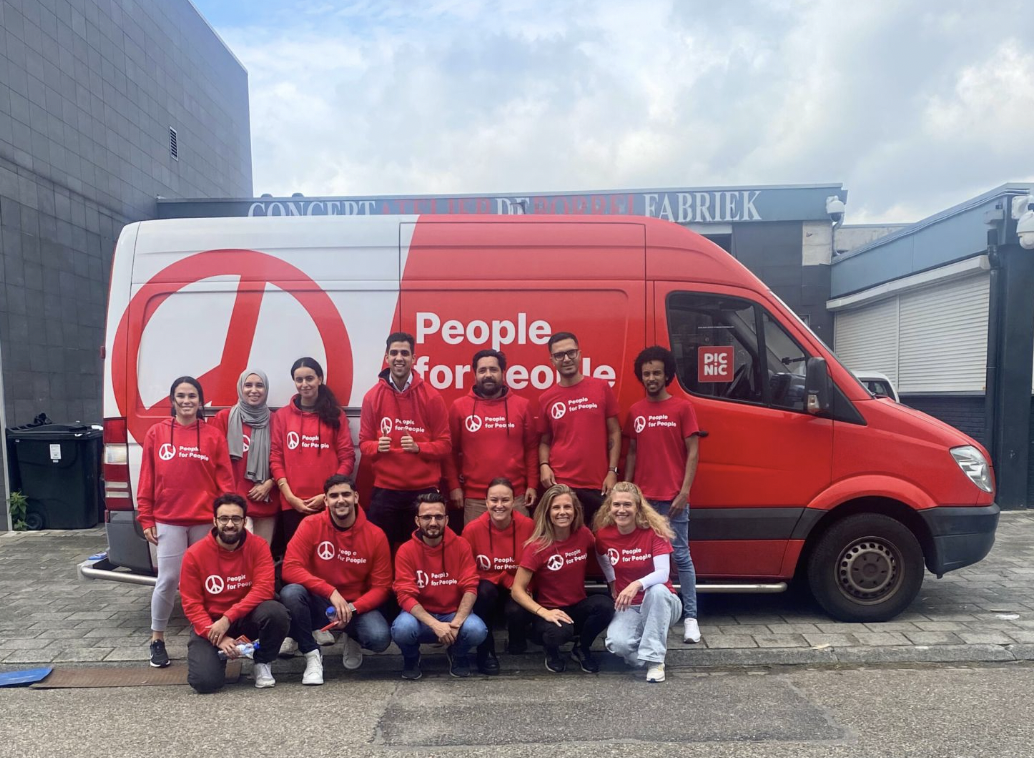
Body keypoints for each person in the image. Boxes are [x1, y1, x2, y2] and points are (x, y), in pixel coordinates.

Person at [137, 376, 234, 669]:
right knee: (167, 580)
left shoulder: (213, 435)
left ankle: (207, 634)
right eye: (181, 396)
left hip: (205, 521)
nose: (187, 401)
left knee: (207, 582)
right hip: (169, 520)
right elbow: (147, 478)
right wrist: (146, 517)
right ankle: (157, 639)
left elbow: (225, 479)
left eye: (192, 396)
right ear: (172, 400)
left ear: (200, 401)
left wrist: (226, 514)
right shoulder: (156, 433)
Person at [281, 475, 393, 685]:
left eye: (345, 494)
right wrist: (330, 591)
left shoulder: (375, 535)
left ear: (356, 497)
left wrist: (352, 609)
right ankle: (312, 654)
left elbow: (382, 587)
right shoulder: (310, 524)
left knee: (379, 638)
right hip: (320, 600)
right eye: (333, 496)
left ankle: (353, 636)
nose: (340, 500)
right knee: (291, 593)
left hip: (355, 605)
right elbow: (289, 568)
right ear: (325, 501)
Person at [624, 345, 702, 644]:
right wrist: (628, 491)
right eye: (646, 373)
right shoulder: (635, 411)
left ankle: (691, 618)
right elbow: (631, 452)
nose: (651, 378)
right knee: (647, 561)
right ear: (640, 377)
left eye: (657, 372)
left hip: (672, 499)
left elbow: (693, 452)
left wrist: (684, 492)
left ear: (667, 374)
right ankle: (649, 615)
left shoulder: (682, 408)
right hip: (643, 500)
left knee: (681, 557)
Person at [179, 494, 290, 693]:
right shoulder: (194, 554)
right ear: (214, 521)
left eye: (236, 519)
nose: (230, 524)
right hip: (211, 624)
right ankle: (218, 656)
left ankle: (262, 662)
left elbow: (264, 589)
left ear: (244, 521)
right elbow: (191, 604)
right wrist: (219, 637)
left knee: (276, 612)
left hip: (245, 618)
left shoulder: (258, 546)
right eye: (224, 519)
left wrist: (228, 618)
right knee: (205, 683)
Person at [359, 332, 451, 547]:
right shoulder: (372, 397)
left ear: (414, 358)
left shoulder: (431, 396)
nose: (399, 358)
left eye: (404, 353)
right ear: (386, 357)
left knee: (423, 549)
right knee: (380, 548)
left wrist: (419, 447)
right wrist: (375, 447)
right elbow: (363, 443)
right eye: (394, 353)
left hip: (423, 491)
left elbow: (445, 445)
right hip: (386, 490)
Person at [511, 484, 614, 674]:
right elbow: (517, 590)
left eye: (567, 507)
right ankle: (551, 651)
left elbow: (606, 552)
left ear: (575, 511)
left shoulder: (583, 535)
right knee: (558, 633)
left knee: (606, 606)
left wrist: (615, 584)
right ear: (547, 512)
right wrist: (544, 612)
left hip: (578, 606)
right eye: (556, 508)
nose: (562, 512)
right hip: (550, 610)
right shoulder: (536, 547)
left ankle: (581, 648)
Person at [391, 493, 487, 680]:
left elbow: (470, 587)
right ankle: (411, 658)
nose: (433, 522)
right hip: (420, 617)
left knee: (477, 629)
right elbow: (404, 596)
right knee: (401, 628)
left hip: (452, 614)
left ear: (447, 519)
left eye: (438, 517)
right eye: (427, 517)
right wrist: (435, 624)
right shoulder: (405, 550)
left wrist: (456, 623)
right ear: (417, 521)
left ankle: (457, 654)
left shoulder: (461, 545)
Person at [594, 483, 683, 683]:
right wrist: (612, 580)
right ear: (609, 508)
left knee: (657, 590)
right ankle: (643, 655)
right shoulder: (604, 534)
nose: (621, 510)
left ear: (638, 508)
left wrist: (636, 584)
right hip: (630, 605)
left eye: (628, 504)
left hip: (664, 602)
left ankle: (655, 662)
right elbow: (601, 556)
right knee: (618, 645)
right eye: (616, 504)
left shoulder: (654, 532)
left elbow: (663, 573)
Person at [445, 349, 538, 524]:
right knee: (475, 550)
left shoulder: (522, 406)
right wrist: (454, 486)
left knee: (523, 548)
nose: (488, 375)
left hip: (515, 496)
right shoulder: (459, 407)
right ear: (475, 374)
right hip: (475, 499)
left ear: (503, 372)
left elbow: (531, 448)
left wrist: (532, 485)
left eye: (493, 370)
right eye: (482, 370)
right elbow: (450, 451)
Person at [538, 332, 621, 526]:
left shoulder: (601, 388)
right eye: (559, 355)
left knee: (600, 543)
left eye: (571, 353)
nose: (566, 359)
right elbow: (544, 441)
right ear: (552, 360)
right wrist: (544, 465)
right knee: (566, 544)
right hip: (562, 485)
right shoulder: (546, 398)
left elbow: (615, 431)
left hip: (598, 483)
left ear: (579, 354)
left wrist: (612, 471)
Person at [271, 357, 355, 547]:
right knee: (294, 560)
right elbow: (276, 458)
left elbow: (347, 458)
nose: (304, 384)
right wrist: (290, 497)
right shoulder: (282, 416)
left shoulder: (336, 415)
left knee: (328, 560)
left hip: (328, 503)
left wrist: (328, 495)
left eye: (309, 378)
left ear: (320, 379)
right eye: (299, 380)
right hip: (292, 503)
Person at [461, 477, 535, 674]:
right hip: (489, 587)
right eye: (494, 500)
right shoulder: (472, 530)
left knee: (518, 609)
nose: (499, 505)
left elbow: (535, 564)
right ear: (486, 502)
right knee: (483, 592)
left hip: (518, 585)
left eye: (505, 500)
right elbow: (467, 570)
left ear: (514, 502)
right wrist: (504, 577)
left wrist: (519, 584)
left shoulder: (529, 526)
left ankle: (517, 638)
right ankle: (486, 650)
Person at [212, 369, 278, 544]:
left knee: (262, 555)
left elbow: (282, 459)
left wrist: (269, 484)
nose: (253, 390)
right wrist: (229, 496)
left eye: (259, 385)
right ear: (240, 388)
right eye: (248, 385)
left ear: (266, 389)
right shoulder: (224, 418)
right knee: (235, 557)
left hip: (264, 500)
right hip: (232, 505)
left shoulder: (275, 420)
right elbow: (215, 462)